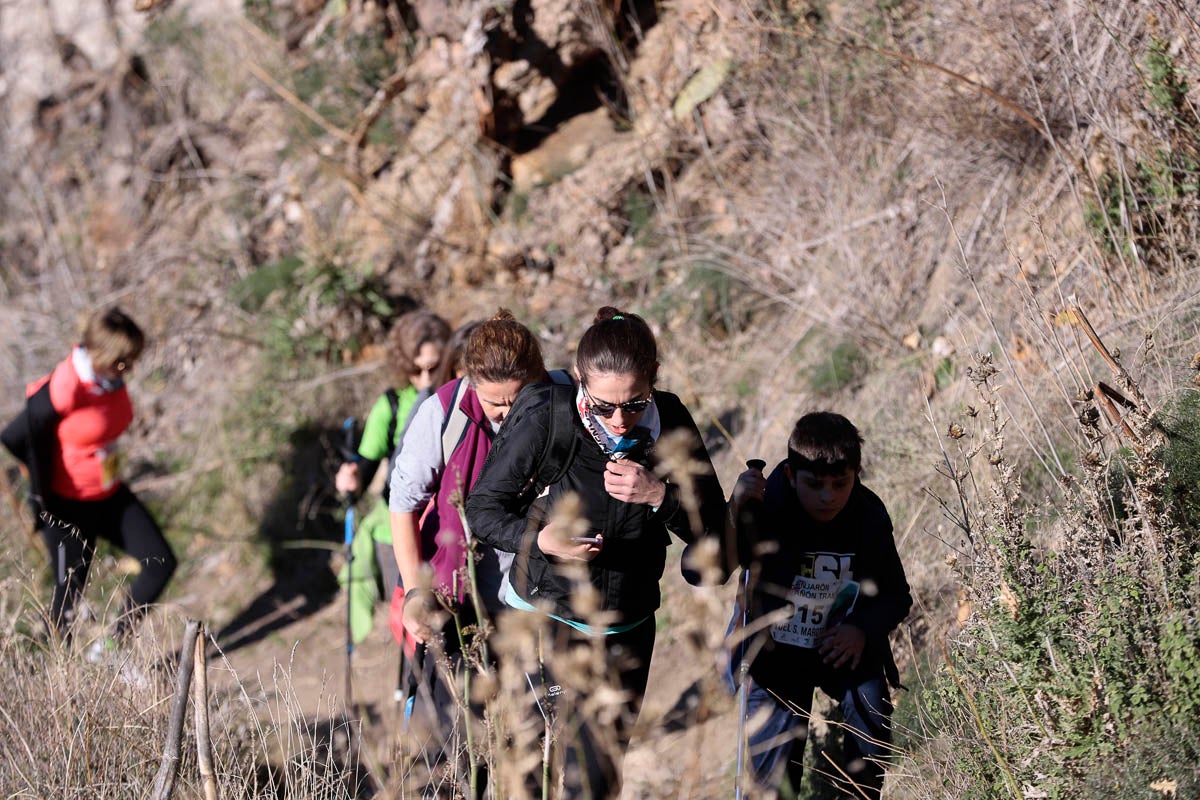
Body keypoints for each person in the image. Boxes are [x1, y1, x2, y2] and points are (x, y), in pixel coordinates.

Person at [465, 306, 727, 799]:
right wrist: (539, 539)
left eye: (635, 403)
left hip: (627, 626)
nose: (620, 419)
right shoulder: (546, 414)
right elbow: (482, 508)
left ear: (653, 378)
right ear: (579, 377)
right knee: (536, 769)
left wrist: (659, 496)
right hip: (545, 616)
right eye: (604, 406)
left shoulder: (671, 421)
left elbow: (714, 531)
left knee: (600, 778)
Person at [387, 309, 552, 796]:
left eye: (518, 399)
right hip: (460, 606)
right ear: (470, 381)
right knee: (467, 749)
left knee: (536, 746)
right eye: (495, 402)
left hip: (537, 605)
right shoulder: (443, 413)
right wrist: (415, 591)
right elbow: (402, 503)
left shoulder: (560, 402)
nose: (507, 413)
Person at [724, 412, 911, 799]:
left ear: (857, 473)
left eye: (840, 483)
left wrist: (861, 629)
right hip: (774, 655)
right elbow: (701, 571)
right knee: (772, 786)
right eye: (814, 484)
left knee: (873, 725)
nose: (828, 496)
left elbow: (896, 595)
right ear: (791, 475)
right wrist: (734, 509)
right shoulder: (765, 507)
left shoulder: (868, 514)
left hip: (842, 647)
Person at [1, 307, 176, 651]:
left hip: (108, 494)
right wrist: (39, 477)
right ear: (101, 355)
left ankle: (108, 650)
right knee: (68, 597)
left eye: (131, 360)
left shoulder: (108, 380)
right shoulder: (67, 386)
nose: (129, 369)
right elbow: (14, 436)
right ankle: (54, 673)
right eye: (122, 362)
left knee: (160, 562)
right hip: (67, 507)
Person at [334, 309, 451, 610]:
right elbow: (365, 465)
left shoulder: (457, 398)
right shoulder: (391, 405)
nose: (425, 379)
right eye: (416, 370)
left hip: (448, 528)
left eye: (434, 368)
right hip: (398, 532)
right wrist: (351, 479)